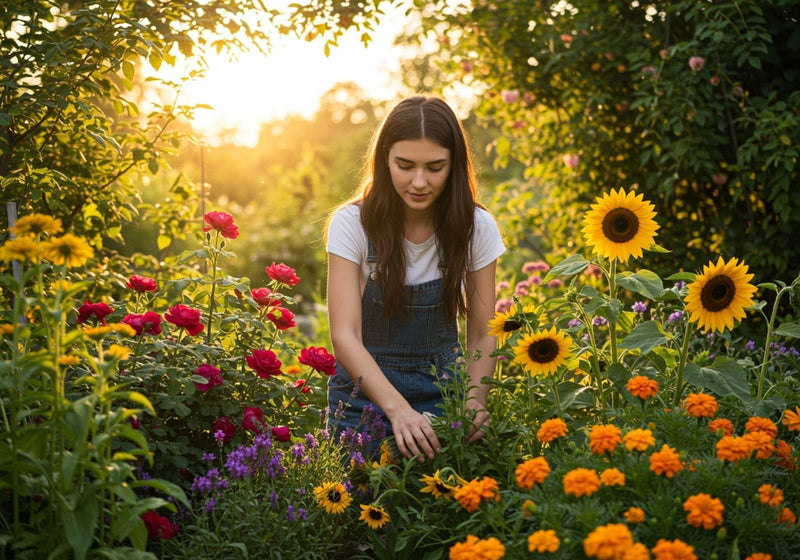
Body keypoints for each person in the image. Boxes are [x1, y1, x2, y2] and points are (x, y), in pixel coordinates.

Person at [325, 95, 505, 461]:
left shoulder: (477, 227)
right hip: (363, 396)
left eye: (435, 167)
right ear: (384, 160)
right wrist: (398, 410)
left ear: (454, 165)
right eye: (404, 165)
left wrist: (472, 403)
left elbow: (484, 332)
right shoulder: (352, 224)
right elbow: (344, 336)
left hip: (444, 389)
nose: (419, 182)